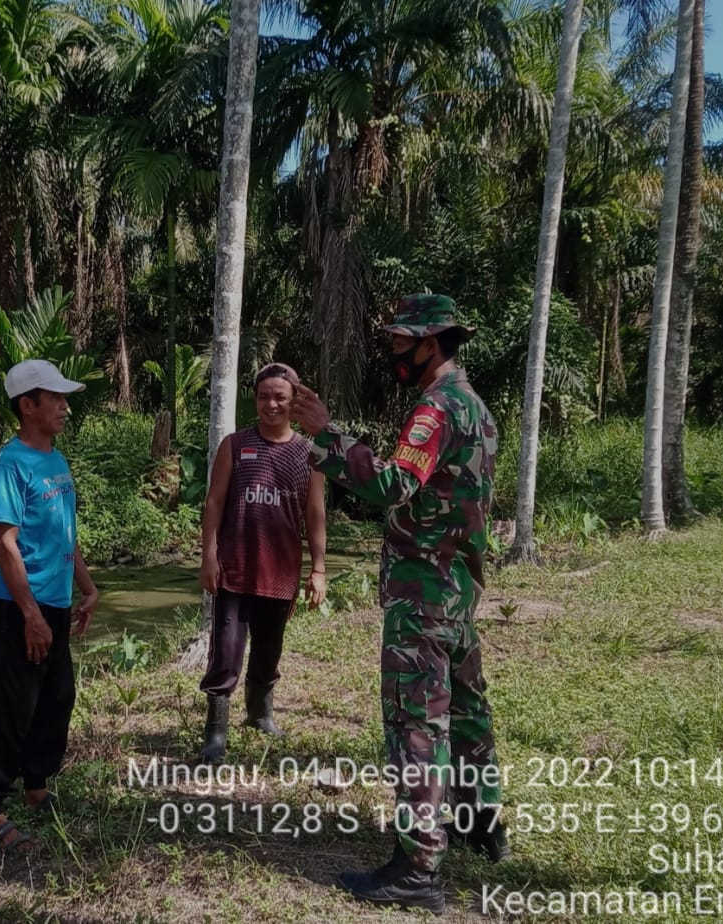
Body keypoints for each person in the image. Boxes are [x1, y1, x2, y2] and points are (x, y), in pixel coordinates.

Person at [289, 294, 508, 913]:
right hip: (459, 588)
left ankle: (418, 866)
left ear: (430, 344)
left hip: (425, 592)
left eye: (399, 343)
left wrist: (327, 433)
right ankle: (479, 822)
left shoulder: (436, 409)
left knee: (419, 723)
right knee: (467, 711)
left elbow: (392, 485)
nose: (392, 354)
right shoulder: (476, 405)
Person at [0, 358, 100, 855]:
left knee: (56, 697)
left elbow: (64, 534)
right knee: (12, 706)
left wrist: (87, 586)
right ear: (28, 405)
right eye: (56, 398)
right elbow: (6, 543)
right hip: (20, 607)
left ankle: (36, 788)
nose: (65, 407)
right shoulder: (11, 463)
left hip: (56, 600)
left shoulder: (56, 459)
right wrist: (29, 615)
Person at [197, 362, 327, 762]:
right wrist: (208, 554)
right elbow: (215, 501)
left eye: (280, 398)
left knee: (269, 649)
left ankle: (260, 713)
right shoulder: (235, 445)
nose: (271, 404)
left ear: (294, 402)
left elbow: (316, 513)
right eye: (264, 397)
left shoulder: (309, 453)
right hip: (234, 570)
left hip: (281, 571)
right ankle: (215, 731)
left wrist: (318, 569)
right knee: (227, 651)